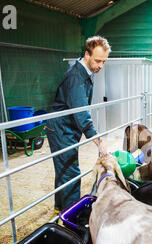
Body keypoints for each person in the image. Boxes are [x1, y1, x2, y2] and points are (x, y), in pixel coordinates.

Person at [46, 35, 110, 213]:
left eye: (104, 62)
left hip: (65, 126)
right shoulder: (76, 77)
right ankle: (72, 216)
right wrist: (98, 140)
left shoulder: (86, 72)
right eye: (98, 60)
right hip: (61, 128)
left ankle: (60, 208)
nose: (100, 66)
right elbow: (81, 113)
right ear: (87, 55)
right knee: (70, 172)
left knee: (63, 169)